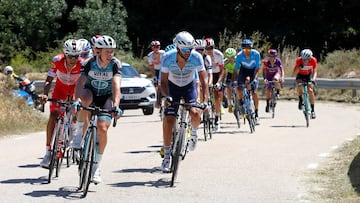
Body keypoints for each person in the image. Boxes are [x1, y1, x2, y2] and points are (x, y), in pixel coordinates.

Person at [71, 35, 122, 184]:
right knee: (84, 101)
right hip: (91, 92)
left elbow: (116, 86)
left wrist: (116, 106)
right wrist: (77, 100)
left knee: (102, 129)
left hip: (106, 96)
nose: (110, 54)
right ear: (99, 51)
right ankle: (79, 134)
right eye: (107, 51)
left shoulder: (115, 64)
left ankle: (96, 166)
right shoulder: (89, 62)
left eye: (112, 51)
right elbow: (80, 82)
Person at [160, 31, 209, 172]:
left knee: (195, 112)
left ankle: (193, 134)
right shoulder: (167, 58)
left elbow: (204, 81)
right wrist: (166, 96)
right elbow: (162, 82)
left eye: (190, 49)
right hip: (172, 88)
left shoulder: (196, 57)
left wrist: (205, 100)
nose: (188, 52)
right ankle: (167, 156)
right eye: (185, 49)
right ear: (178, 48)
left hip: (189, 86)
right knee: (169, 120)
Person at [39, 39, 83, 168]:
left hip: (75, 91)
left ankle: (74, 132)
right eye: (70, 56)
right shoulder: (57, 60)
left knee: (75, 112)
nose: (73, 59)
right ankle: (48, 152)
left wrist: (78, 98)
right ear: (65, 54)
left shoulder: (83, 63)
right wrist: (45, 94)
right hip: (60, 90)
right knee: (53, 116)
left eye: (76, 56)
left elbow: (84, 83)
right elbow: (48, 80)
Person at [232, 39, 261, 124]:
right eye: (245, 49)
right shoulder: (240, 55)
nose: (247, 51)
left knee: (254, 92)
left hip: (253, 71)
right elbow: (236, 69)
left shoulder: (256, 54)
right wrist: (234, 81)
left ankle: (256, 113)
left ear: (251, 49)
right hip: (243, 70)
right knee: (239, 87)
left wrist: (255, 79)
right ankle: (241, 102)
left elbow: (257, 68)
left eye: (248, 49)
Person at [204, 37, 225, 131]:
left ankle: (216, 117)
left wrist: (219, 82)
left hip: (217, 74)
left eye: (211, 48)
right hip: (206, 74)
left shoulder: (219, 55)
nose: (209, 50)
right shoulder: (202, 55)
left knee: (217, 96)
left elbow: (222, 71)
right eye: (207, 48)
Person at [291, 48, 318, 119]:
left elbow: (315, 71)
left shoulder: (313, 60)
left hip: (309, 75)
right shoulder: (299, 60)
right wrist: (299, 68)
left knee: (310, 90)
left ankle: (312, 110)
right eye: (303, 59)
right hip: (300, 75)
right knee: (299, 85)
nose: (304, 61)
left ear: (310, 58)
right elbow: (294, 74)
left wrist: (313, 80)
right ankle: (300, 100)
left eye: (306, 59)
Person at [147, 40, 165, 108]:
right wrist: (153, 76)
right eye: (154, 47)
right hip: (157, 70)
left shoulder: (163, 53)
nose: (156, 48)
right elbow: (151, 67)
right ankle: (158, 101)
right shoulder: (150, 56)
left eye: (157, 46)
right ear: (152, 48)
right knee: (157, 86)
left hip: (164, 70)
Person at [223, 48, 237, 113]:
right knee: (228, 87)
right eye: (228, 57)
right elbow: (222, 72)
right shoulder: (225, 62)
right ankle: (230, 104)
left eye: (232, 57)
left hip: (238, 73)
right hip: (229, 74)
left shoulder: (238, 61)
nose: (230, 59)